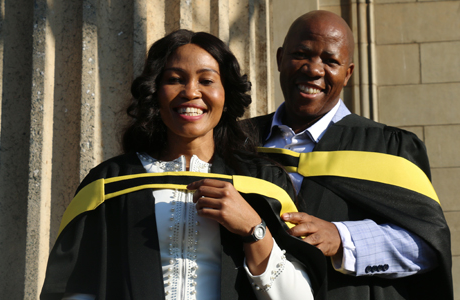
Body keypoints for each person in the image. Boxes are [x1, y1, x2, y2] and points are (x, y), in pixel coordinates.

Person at [40, 29, 326, 300]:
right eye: (175, 79)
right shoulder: (110, 183)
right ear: (155, 93)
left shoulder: (263, 182)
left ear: (226, 96)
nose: (191, 92)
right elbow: (78, 289)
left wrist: (254, 230)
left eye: (206, 80)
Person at [250, 10, 453, 300]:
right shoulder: (239, 142)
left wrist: (343, 238)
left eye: (331, 61)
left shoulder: (388, 147)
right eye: (301, 53)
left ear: (348, 73)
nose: (314, 69)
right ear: (280, 58)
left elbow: (428, 247)